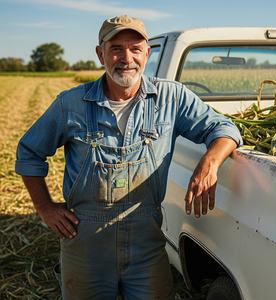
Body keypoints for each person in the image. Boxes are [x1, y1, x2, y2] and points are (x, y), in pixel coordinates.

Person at [15, 15, 242, 300]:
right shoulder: (70, 103)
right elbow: (29, 152)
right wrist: (45, 208)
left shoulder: (171, 98)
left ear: (147, 53)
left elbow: (223, 128)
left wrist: (209, 162)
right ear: (100, 54)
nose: (126, 58)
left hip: (145, 240)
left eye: (135, 49)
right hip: (85, 241)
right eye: (116, 48)